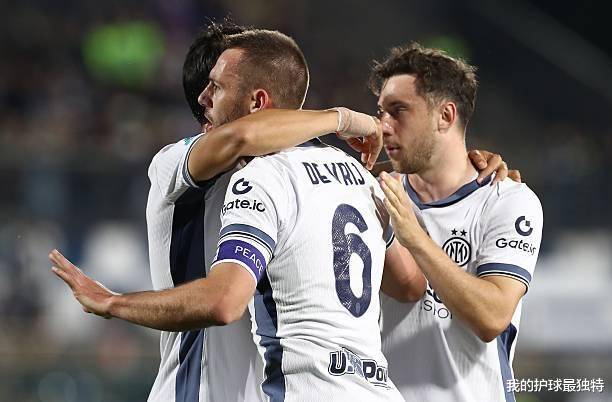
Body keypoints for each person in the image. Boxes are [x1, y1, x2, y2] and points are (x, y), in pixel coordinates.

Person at [52, 24, 512, 401]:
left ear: (257, 102)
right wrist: (340, 119)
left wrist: (465, 167)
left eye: (217, 87)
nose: (205, 99)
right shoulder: (179, 163)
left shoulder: (275, 176)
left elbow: (225, 300)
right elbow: (241, 138)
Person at [374, 43, 543, 402]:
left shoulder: (507, 201)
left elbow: (492, 317)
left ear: (446, 116)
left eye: (398, 111)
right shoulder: (373, 196)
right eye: (381, 112)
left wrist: (415, 238)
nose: (383, 126)